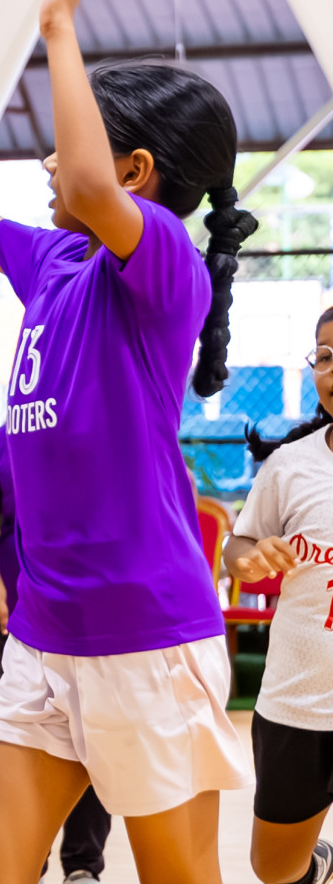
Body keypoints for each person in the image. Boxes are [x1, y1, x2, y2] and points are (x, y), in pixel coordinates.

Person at [0, 0, 256, 882]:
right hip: (46, 634)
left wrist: (59, 25)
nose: (50, 164)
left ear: (136, 173)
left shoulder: (166, 268)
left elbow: (86, 177)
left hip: (148, 634)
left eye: (73, 141)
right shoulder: (56, 259)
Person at [0, 427, 113, 884]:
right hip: (25, 619)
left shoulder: (121, 416)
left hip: (107, 625)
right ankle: (27, 861)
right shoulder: (4, 440)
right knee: (25, 745)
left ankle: (82, 867)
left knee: (93, 745)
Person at [225, 306, 333, 884]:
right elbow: (237, 545)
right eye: (325, 355)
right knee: (274, 869)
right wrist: (249, 556)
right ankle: (318, 865)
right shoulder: (291, 465)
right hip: (298, 703)